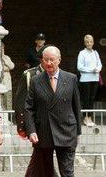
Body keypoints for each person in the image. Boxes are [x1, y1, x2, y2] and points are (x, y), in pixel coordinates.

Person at [25, 46, 81, 177]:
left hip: (66, 132)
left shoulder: (71, 79)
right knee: (45, 172)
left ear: (59, 60)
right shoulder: (35, 81)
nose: (48, 63)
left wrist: (78, 132)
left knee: (67, 172)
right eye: (45, 60)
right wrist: (31, 130)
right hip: (44, 133)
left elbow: (76, 106)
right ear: (42, 61)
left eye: (52, 60)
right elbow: (29, 108)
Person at [77, 34, 102, 127]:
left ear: (93, 42)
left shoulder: (95, 53)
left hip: (95, 79)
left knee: (92, 99)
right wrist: (91, 70)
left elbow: (100, 64)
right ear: (85, 43)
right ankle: (85, 118)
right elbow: (79, 67)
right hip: (85, 80)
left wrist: (98, 69)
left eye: (91, 41)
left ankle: (90, 117)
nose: (89, 43)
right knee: (86, 99)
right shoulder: (82, 53)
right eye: (87, 42)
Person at [0, 42, 15, 110]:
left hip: (7, 83)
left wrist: (3, 58)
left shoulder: (6, 57)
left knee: (8, 103)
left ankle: (8, 119)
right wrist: (5, 69)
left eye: (2, 48)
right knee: (0, 102)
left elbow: (11, 66)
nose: (1, 50)